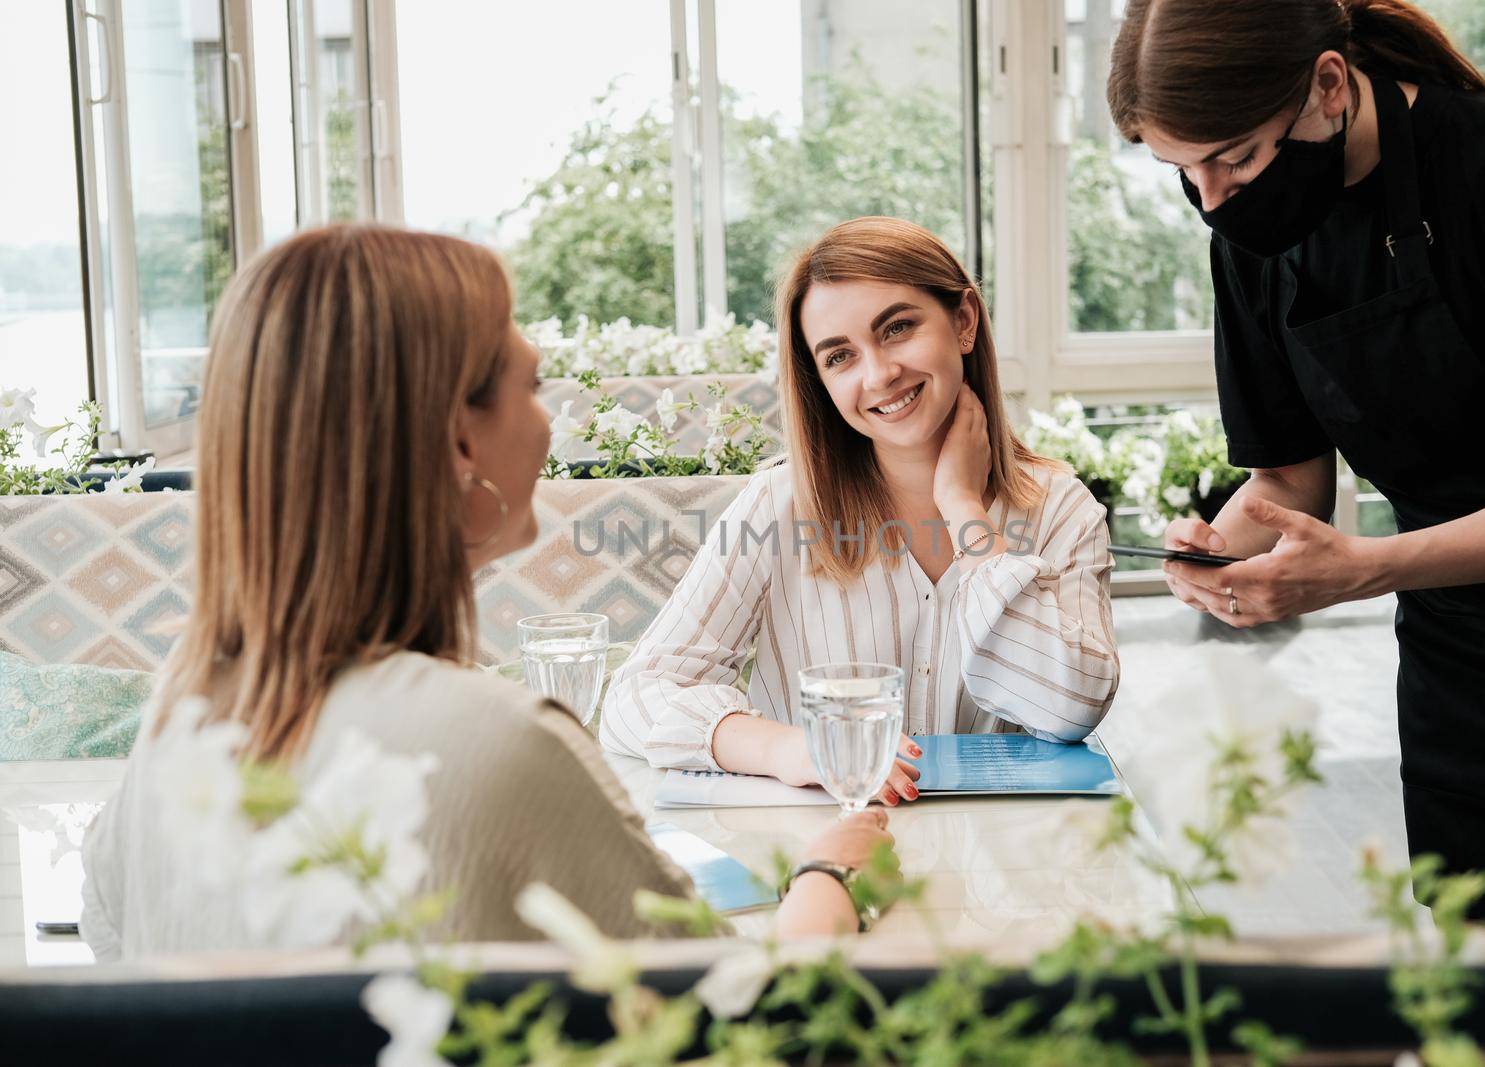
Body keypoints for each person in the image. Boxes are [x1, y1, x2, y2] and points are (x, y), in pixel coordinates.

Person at [80, 225, 892, 960]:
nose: (546, 422)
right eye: (532, 385)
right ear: (461, 440)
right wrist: (827, 872)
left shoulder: (168, 738)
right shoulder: (504, 744)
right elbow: (744, 1017)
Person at [1109, 0, 1485, 903]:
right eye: (1181, 171)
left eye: (1236, 156)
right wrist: (1221, 550)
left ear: (1328, 85)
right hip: (1458, 674)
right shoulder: (1250, 242)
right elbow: (1288, 477)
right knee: (1482, 986)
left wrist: (1370, 568)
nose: (1214, 202)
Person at [601, 217, 1119, 800]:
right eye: (840, 356)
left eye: (897, 328)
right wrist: (787, 748)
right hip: (826, 854)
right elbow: (636, 695)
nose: (879, 374)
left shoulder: (1061, 510)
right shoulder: (781, 504)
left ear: (964, 321)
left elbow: (1072, 705)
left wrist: (963, 506)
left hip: (1001, 863)